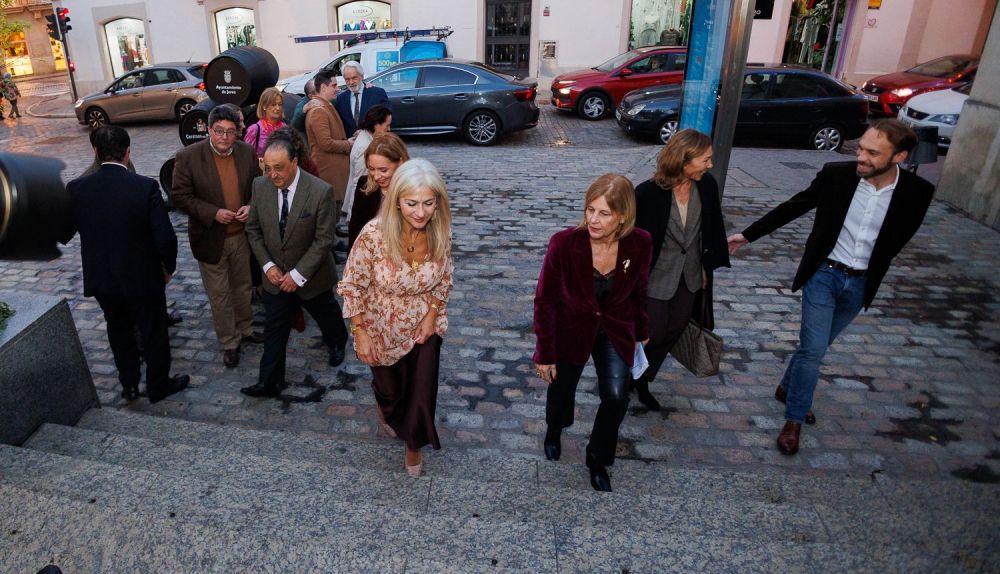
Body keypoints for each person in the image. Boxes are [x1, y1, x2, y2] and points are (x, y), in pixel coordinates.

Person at [727, 118, 935, 456]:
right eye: (861, 148)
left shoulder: (917, 192)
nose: (861, 157)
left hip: (861, 282)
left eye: (872, 152)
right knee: (812, 350)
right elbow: (795, 205)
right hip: (824, 274)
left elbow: (901, 236)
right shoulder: (836, 175)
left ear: (899, 157)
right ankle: (794, 418)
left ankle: (786, 387)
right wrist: (748, 235)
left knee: (817, 346)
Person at [533, 174, 652, 492]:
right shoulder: (565, 243)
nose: (594, 220)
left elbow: (639, 290)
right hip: (571, 329)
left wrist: (642, 331)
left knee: (616, 396)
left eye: (604, 213)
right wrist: (544, 352)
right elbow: (545, 300)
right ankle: (554, 430)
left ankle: (597, 458)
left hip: (614, 328)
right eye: (590, 210)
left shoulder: (638, 243)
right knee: (561, 391)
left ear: (622, 216)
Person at [338, 158, 454, 477]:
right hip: (380, 325)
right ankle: (384, 405)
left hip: (423, 324)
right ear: (397, 201)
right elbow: (351, 284)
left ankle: (413, 446)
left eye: (429, 203)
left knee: (421, 392)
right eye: (412, 203)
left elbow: (445, 278)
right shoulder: (374, 234)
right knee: (390, 390)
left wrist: (432, 314)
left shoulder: (441, 229)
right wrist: (360, 330)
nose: (421, 212)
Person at [61, 126, 189, 403]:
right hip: (143, 278)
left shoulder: (77, 189)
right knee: (153, 330)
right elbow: (165, 236)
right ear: (128, 152)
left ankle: (129, 385)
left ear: (95, 151)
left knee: (118, 331)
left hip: (103, 279)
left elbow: (62, 233)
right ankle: (158, 385)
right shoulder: (145, 186)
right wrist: (167, 268)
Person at [631, 129, 731, 410]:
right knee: (654, 331)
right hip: (656, 276)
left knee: (675, 329)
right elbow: (633, 239)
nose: (710, 164)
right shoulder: (648, 192)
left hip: (690, 276)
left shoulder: (707, 185)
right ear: (684, 160)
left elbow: (712, 226)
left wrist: (708, 266)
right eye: (705, 159)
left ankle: (643, 380)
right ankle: (628, 372)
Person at [242, 136, 349, 398]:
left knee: (326, 314)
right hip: (275, 279)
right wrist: (267, 266)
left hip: (311, 278)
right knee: (274, 329)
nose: (272, 174)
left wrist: (298, 275)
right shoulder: (260, 186)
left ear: (295, 162)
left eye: (279, 168)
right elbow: (253, 230)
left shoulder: (320, 190)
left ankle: (337, 342)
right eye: (267, 167)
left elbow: (324, 240)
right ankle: (269, 382)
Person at [171, 103, 263, 368]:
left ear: (238, 133)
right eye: (219, 131)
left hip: (241, 236)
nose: (224, 137)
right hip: (210, 237)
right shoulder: (188, 156)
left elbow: (258, 187)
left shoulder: (246, 153)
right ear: (209, 130)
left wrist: (251, 205)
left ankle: (245, 329)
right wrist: (213, 213)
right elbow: (179, 196)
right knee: (220, 294)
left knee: (243, 287)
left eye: (230, 132)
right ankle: (230, 341)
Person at [347, 132, 409, 249]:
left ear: (400, 163)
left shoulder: (415, 189)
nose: (376, 176)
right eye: (371, 169)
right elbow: (355, 230)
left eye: (383, 170)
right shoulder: (365, 186)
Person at [305, 69, 353, 215]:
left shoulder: (324, 105)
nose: (338, 89)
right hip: (328, 172)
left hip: (333, 171)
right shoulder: (318, 110)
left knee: (333, 215)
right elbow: (325, 143)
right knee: (329, 215)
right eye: (334, 85)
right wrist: (348, 144)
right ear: (324, 87)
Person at [343, 104, 392, 222]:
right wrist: (353, 216)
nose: (389, 129)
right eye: (387, 126)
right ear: (376, 125)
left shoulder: (366, 137)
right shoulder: (365, 147)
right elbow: (359, 183)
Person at [335, 61, 390, 137]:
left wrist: (366, 132)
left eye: (354, 78)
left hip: (373, 143)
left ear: (362, 76)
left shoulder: (377, 94)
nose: (351, 82)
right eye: (347, 79)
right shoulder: (341, 99)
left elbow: (387, 120)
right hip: (351, 146)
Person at [244, 87, 287, 161]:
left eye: (280, 104)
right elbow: (247, 158)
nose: (278, 108)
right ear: (264, 106)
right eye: (273, 105)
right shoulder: (255, 129)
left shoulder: (285, 128)